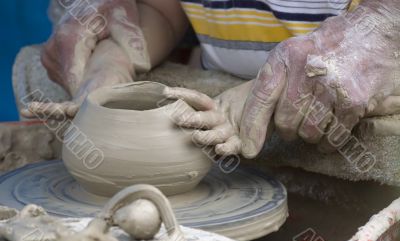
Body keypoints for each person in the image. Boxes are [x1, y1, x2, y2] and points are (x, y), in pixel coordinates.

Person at [24, 0, 400, 159]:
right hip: (217, 114)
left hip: (356, 132)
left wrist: (265, 93)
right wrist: (117, 55)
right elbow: (164, 10)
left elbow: (376, 48)